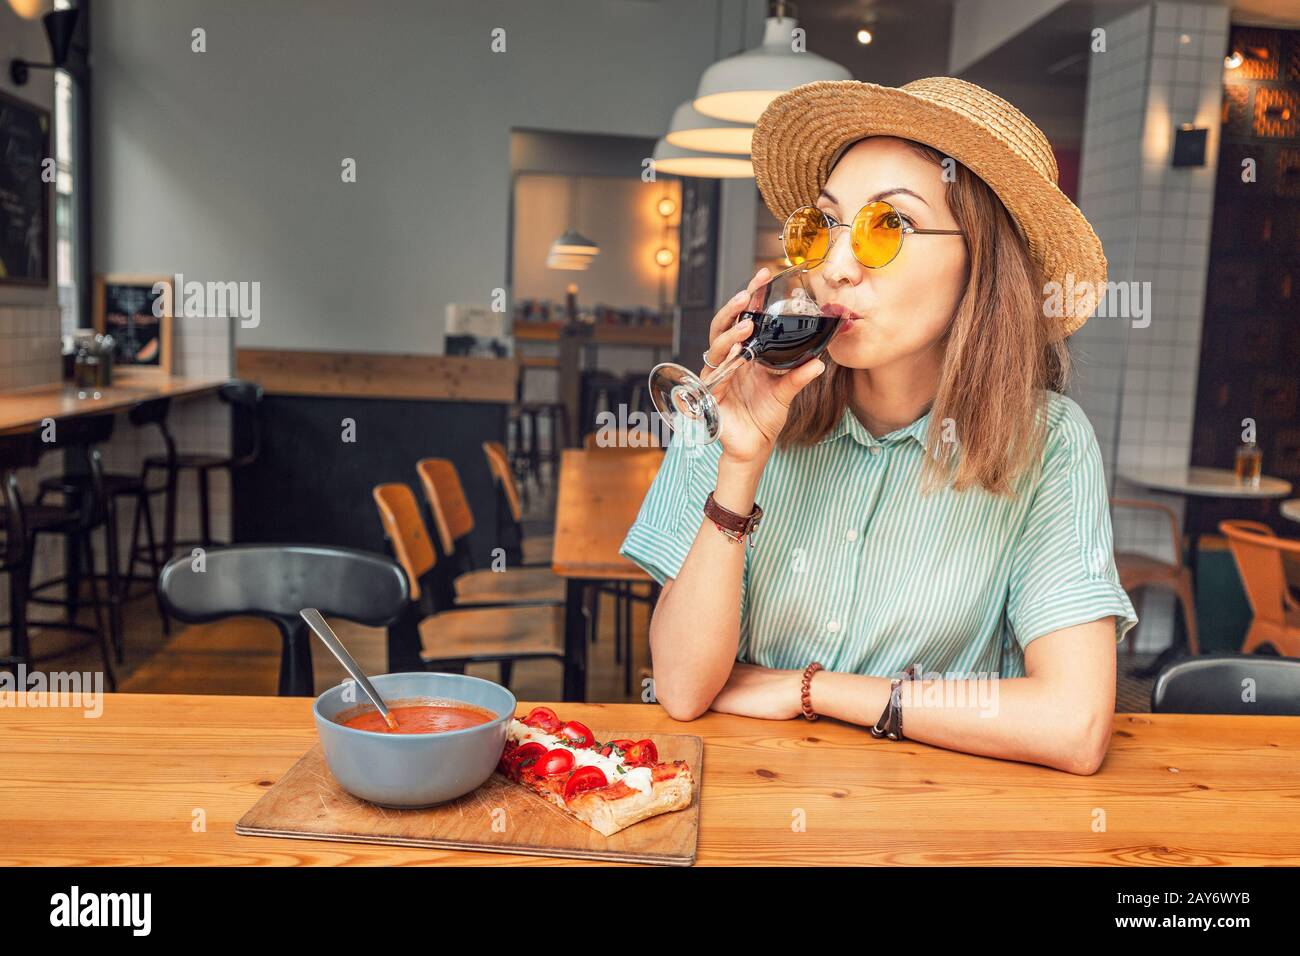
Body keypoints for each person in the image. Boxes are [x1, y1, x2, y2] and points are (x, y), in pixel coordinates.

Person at [620, 77, 1137, 775]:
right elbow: (682, 689)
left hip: (935, 812)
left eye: (887, 228)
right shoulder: (731, 405)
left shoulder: (1047, 442)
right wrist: (740, 465)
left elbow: (1073, 725)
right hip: (745, 797)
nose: (835, 268)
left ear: (980, 263)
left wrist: (814, 691)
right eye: (825, 227)